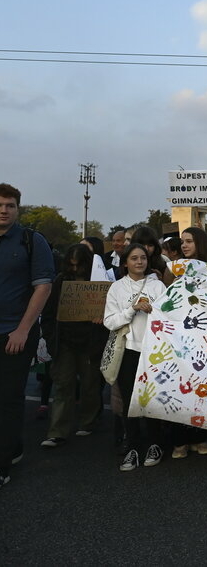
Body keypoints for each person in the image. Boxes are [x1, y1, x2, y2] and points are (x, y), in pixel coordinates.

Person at [0, 183, 56, 488]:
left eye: (10, 205)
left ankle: (2, 464)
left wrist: (23, 329)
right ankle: (13, 446)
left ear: (18, 209)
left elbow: (43, 287)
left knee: (8, 397)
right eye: (0, 205)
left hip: (15, 334)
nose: (4, 210)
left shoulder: (31, 241)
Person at [103, 244, 167, 470]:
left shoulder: (158, 286)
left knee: (151, 399)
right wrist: (133, 309)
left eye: (142, 258)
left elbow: (169, 316)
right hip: (128, 350)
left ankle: (155, 444)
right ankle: (132, 446)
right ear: (125, 263)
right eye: (134, 258)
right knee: (129, 400)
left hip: (153, 352)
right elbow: (109, 321)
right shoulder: (117, 288)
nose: (139, 262)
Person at [39, 244, 109, 448]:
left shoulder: (98, 281)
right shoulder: (60, 281)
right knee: (63, 386)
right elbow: (49, 313)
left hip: (90, 342)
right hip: (65, 343)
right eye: (72, 265)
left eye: (79, 265)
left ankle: (89, 421)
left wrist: (101, 323)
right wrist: (52, 341)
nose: (76, 269)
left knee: (90, 385)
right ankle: (57, 431)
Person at [166, 227, 207, 456]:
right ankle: (179, 440)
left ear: (201, 243)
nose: (184, 245)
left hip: (205, 338)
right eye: (182, 242)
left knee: (201, 388)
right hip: (178, 337)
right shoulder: (173, 269)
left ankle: (199, 437)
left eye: (189, 241)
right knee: (180, 387)